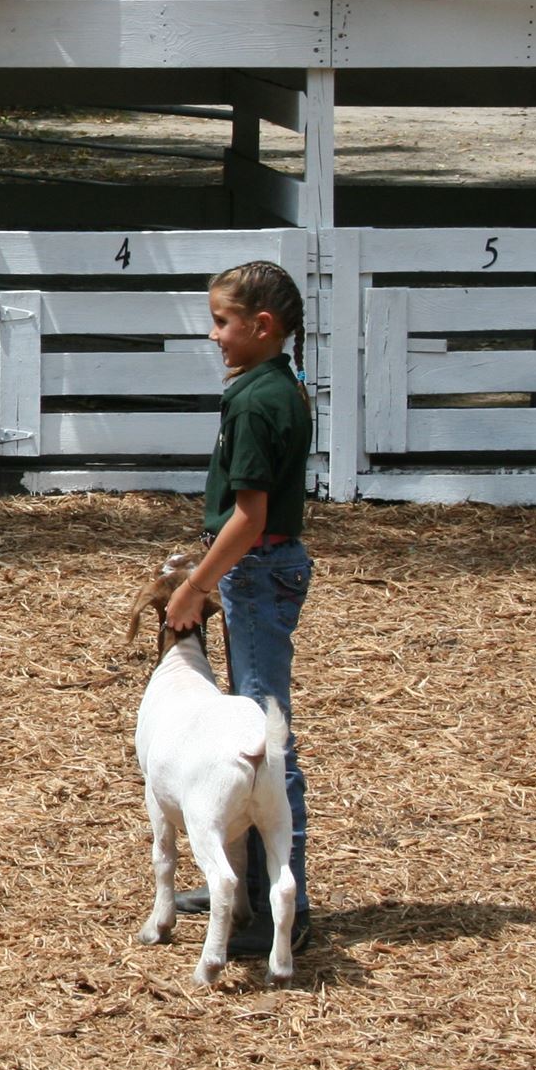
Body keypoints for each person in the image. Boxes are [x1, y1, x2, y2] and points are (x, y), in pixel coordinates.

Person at [160, 260, 316, 959]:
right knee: (247, 731)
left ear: (263, 326)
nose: (215, 334)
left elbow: (249, 517)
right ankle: (246, 887)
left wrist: (195, 584)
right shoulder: (273, 387)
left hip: (254, 571)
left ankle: (288, 903)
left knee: (264, 731)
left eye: (224, 322)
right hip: (260, 571)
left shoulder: (254, 402)